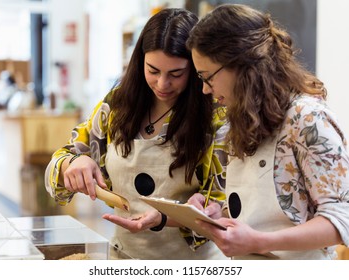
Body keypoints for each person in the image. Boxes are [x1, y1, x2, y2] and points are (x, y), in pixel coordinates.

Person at [44, 8, 229, 260]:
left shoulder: (215, 117)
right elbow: (59, 163)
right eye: (153, 70)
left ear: (197, 69)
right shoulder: (117, 104)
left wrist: (165, 218)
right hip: (125, 258)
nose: (163, 84)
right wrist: (73, 163)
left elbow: (221, 207)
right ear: (139, 60)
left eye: (176, 74)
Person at [186, 4, 349, 260]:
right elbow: (261, 214)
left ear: (240, 64)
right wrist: (217, 215)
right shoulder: (240, 118)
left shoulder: (307, 118)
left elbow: (342, 221)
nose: (205, 89)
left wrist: (259, 241)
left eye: (207, 77)